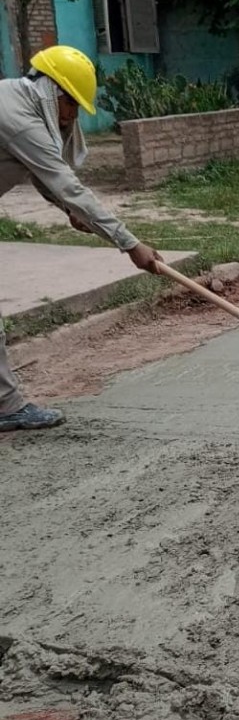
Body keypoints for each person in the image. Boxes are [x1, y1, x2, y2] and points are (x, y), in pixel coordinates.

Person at [0, 45, 162, 432]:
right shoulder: (20, 118)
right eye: (73, 108)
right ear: (56, 92)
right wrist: (130, 245)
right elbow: (66, 184)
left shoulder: (14, 98)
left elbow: (43, 178)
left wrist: (68, 212)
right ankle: (6, 406)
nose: (72, 118)